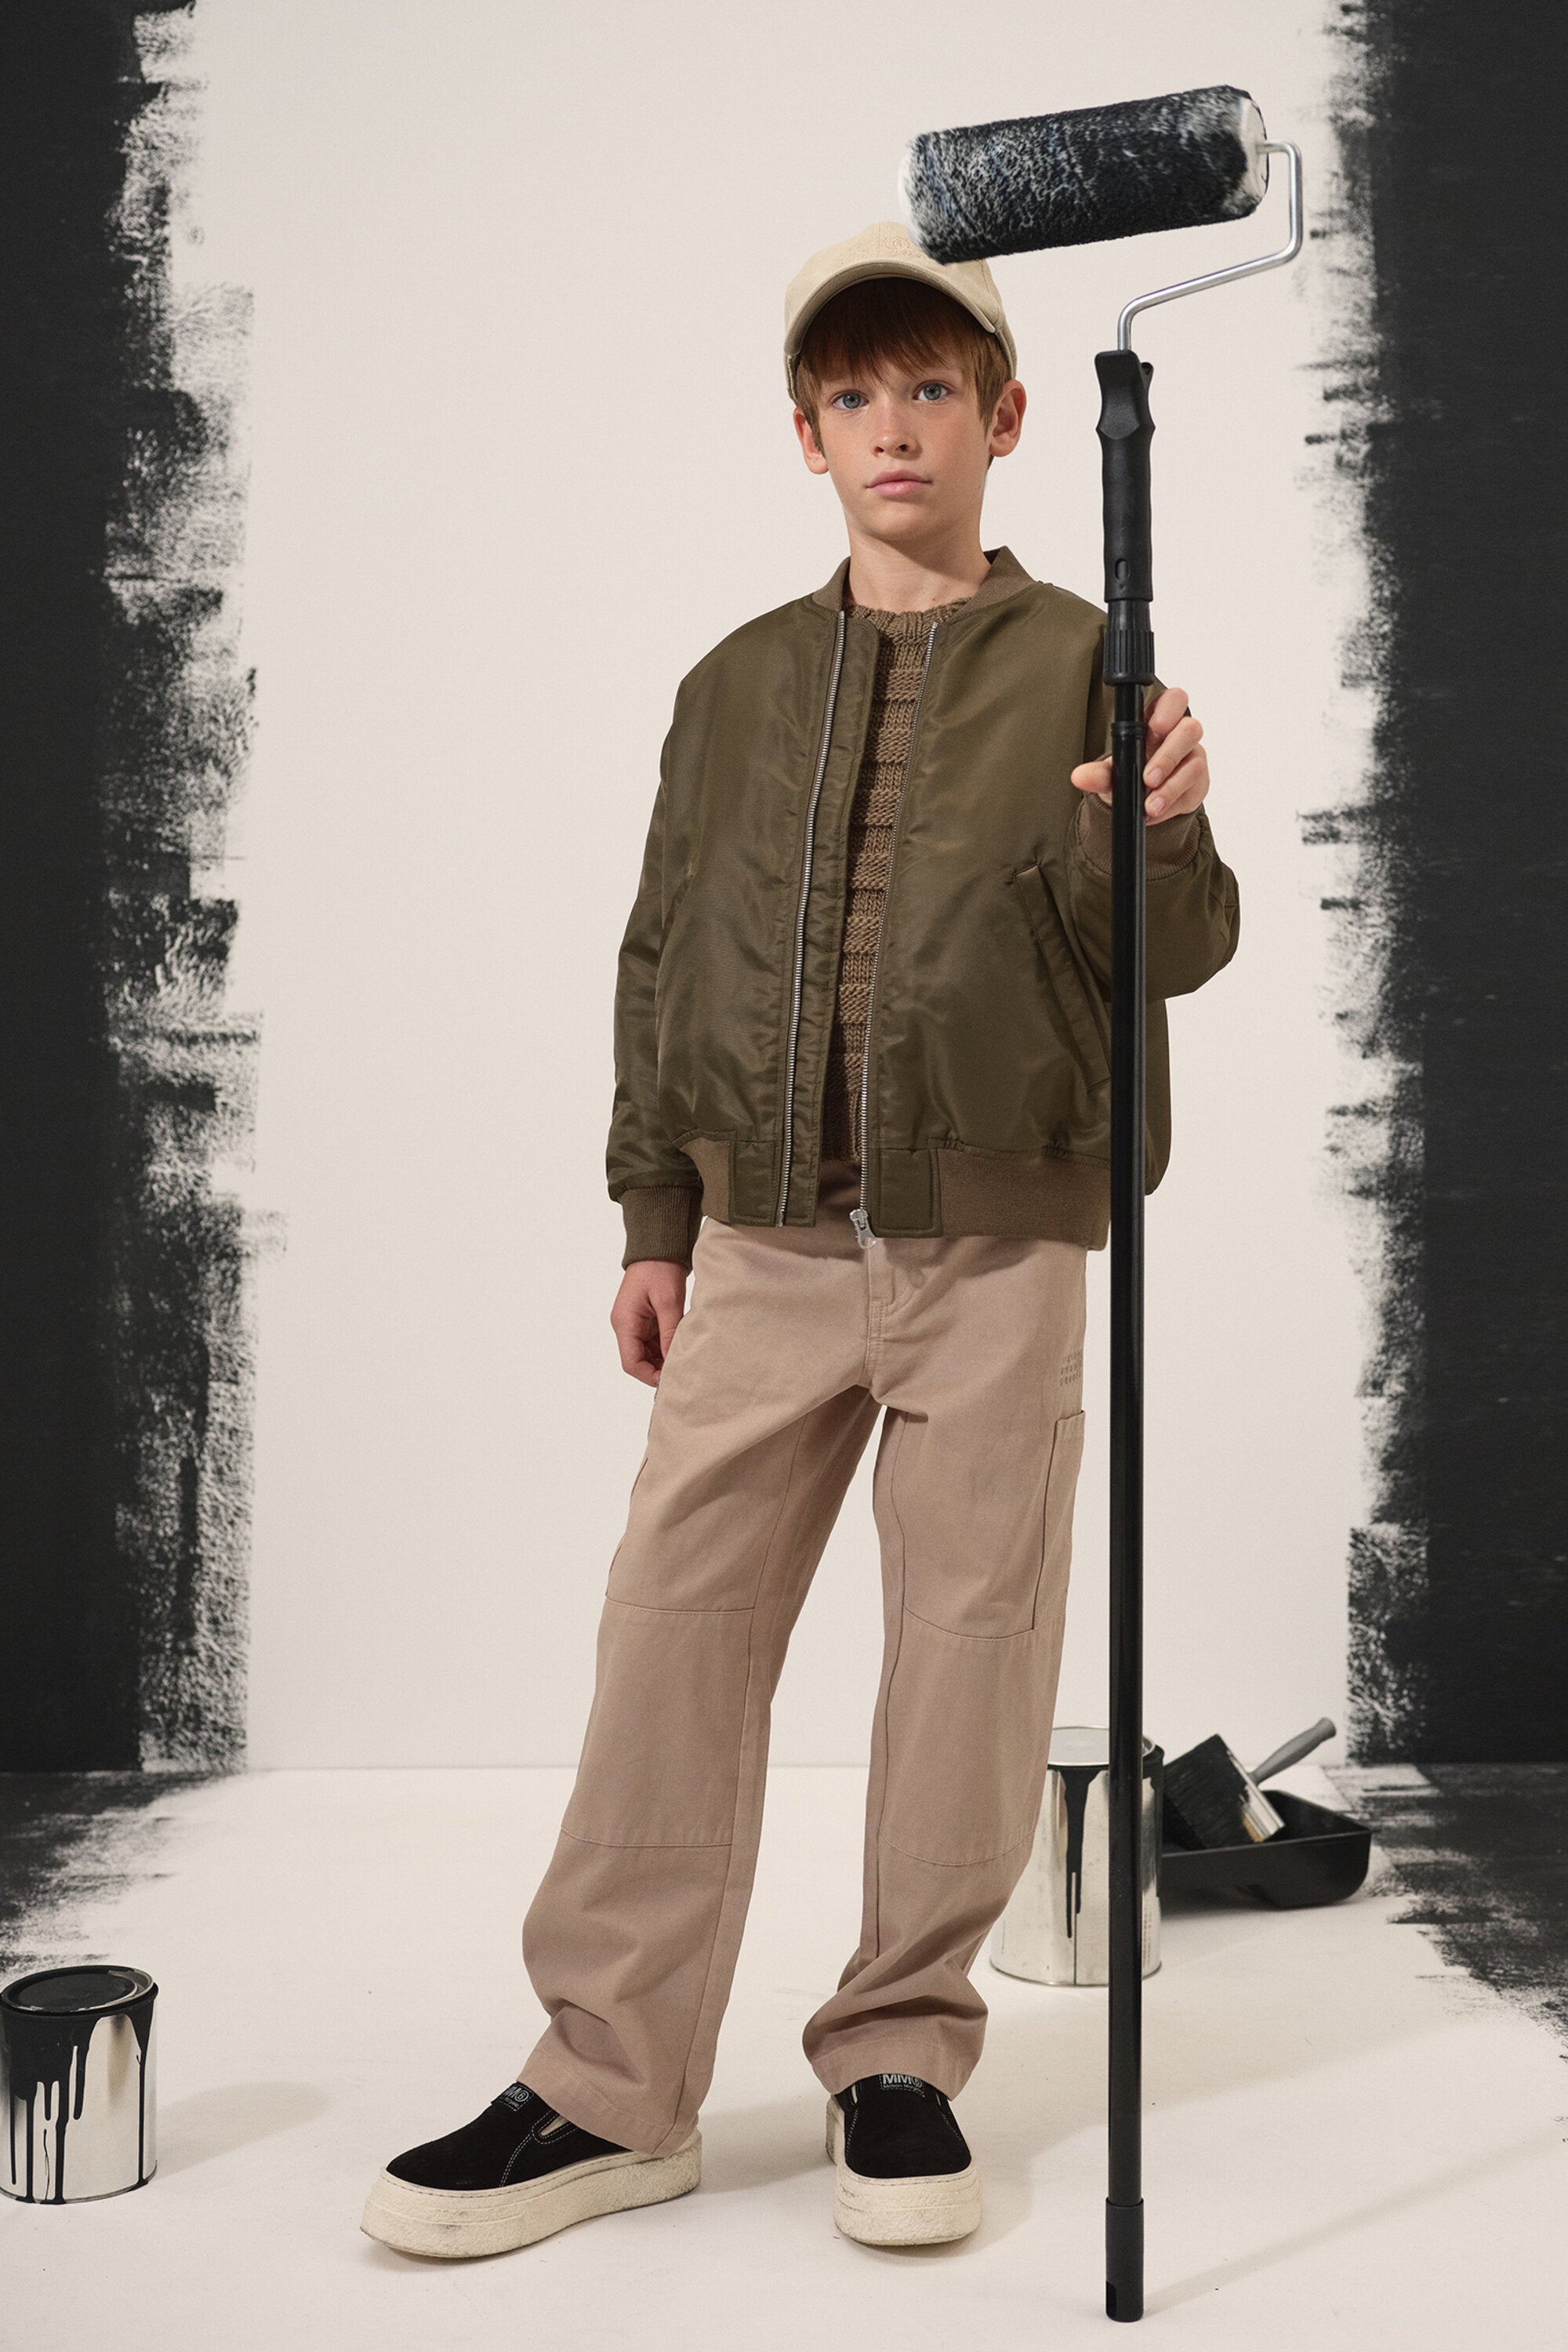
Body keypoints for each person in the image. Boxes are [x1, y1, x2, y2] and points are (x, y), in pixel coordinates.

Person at [362, 220, 1237, 2263]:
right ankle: (608, 2084)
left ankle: (902, 2060)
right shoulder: (733, 684)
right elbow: (660, 953)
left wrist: (1162, 829)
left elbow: (1178, 953)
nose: (894, 426)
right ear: (806, 434)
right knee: (672, 1628)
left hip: (998, 1248)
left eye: (931, 387)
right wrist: (653, 1214)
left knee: (967, 1656)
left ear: (1008, 418)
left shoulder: (1098, 662)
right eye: (855, 395)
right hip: (759, 1250)